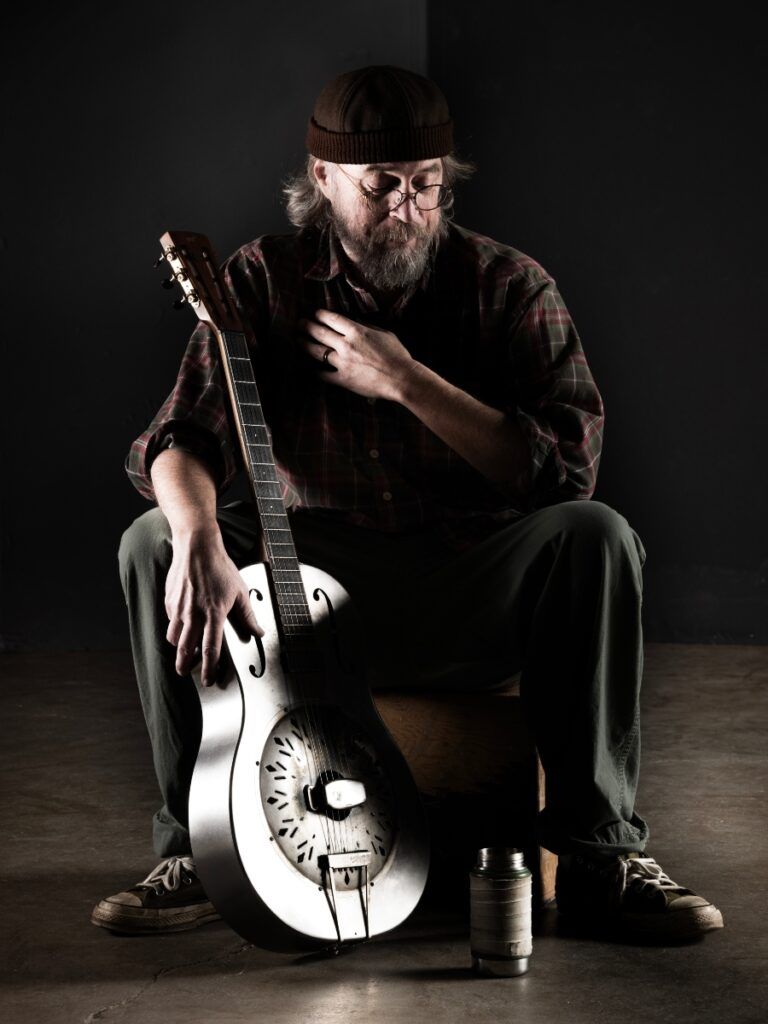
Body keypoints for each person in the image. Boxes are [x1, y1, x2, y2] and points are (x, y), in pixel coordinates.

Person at [92, 65, 723, 942]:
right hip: (307, 591)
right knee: (152, 539)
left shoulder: (509, 284)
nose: (409, 207)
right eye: (382, 185)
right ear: (323, 179)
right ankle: (196, 851)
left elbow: (565, 471)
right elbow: (177, 436)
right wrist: (197, 532)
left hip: (467, 587)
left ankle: (598, 853)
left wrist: (404, 379)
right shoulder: (263, 277)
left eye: (428, 184)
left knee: (596, 535)